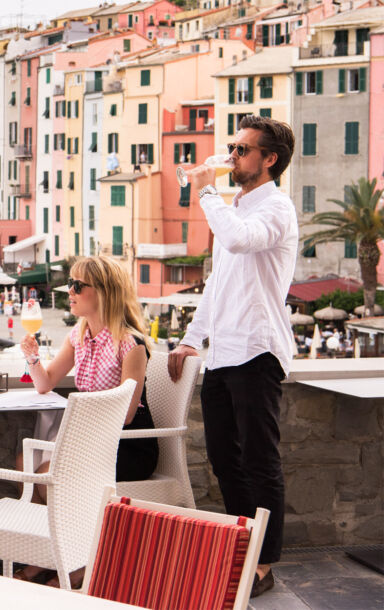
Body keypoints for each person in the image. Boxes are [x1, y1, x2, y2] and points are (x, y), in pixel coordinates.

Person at [168, 115, 297, 598]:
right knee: (225, 460)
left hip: (256, 351)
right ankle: (244, 546)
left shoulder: (276, 209)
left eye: (243, 150)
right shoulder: (236, 207)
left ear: (270, 159)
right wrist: (189, 340)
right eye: (233, 147)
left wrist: (204, 191)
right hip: (223, 353)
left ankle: (264, 564)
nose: (233, 156)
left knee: (261, 460)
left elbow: (240, 239)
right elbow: (218, 287)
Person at [15, 255, 157, 587]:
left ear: (104, 292)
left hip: (128, 447)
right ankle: (53, 557)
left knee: (46, 474)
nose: (71, 291)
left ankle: (80, 562)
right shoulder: (79, 336)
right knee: (26, 463)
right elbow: (45, 382)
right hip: (93, 445)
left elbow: (127, 412)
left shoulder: (131, 343)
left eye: (79, 285)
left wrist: (76, 435)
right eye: (71, 284)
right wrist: (33, 357)